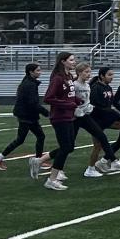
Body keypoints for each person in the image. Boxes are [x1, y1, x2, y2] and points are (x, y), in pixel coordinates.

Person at [0, 63, 49, 178]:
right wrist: (47, 113)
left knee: (38, 136)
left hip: (27, 115)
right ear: (31, 72)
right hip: (26, 116)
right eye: (38, 70)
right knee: (22, 139)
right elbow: (33, 103)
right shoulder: (29, 85)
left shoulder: (29, 83)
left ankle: (38, 160)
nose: (40, 72)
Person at [42, 51, 82, 190]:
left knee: (69, 147)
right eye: (71, 60)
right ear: (63, 61)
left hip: (69, 116)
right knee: (66, 147)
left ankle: (40, 161)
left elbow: (68, 95)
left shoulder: (69, 76)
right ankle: (52, 178)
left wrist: (77, 100)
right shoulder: (58, 78)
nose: (74, 62)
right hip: (59, 117)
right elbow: (48, 98)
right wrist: (68, 104)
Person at [81, 64, 120, 179]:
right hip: (96, 120)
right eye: (109, 75)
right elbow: (95, 106)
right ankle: (91, 168)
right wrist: (113, 113)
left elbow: (109, 105)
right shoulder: (96, 88)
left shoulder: (108, 88)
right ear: (102, 76)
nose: (112, 77)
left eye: (112, 75)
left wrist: (113, 113)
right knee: (98, 146)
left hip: (106, 119)